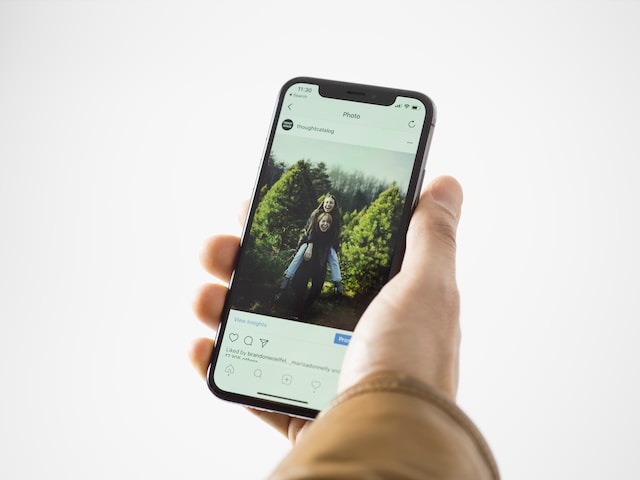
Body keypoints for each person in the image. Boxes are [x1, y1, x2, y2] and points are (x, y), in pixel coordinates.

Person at [191, 176, 500, 479]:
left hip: (323, 257)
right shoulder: (313, 221)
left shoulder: (333, 227)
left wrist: (335, 278)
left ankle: (309, 299)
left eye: (330, 207)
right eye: (324, 205)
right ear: (319, 208)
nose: (326, 211)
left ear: (333, 212)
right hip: (308, 251)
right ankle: (286, 293)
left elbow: (334, 253)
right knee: (298, 273)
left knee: (314, 287)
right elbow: (302, 245)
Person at [277, 194, 343, 299]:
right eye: (326, 202)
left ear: (334, 205)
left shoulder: (335, 218)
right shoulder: (316, 214)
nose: (328, 204)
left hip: (325, 245)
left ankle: (338, 283)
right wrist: (310, 245)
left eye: (331, 203)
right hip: (309, 241)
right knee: (299, 254)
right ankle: (287, 278)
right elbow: (310, 231)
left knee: (333, 257)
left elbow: (335, 235)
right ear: (323, 203)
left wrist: (330, 246)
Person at [290, 211, 335, 319]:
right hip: (307, 263)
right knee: (299, 285)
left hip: (320, 265)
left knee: (316, 288)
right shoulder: (312, 233)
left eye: (328, 223)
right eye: (323, 221)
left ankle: (305, 309)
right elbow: (303, 243)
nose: (325, 224)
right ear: (319, 221)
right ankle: (297, 308)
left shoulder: (330, 236)